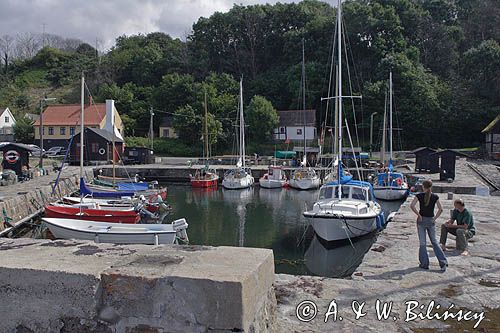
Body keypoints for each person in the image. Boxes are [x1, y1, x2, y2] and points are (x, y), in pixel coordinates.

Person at [410, 179, 448, 271]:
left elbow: (412, 205)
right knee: (434, 242)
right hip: (431, 221)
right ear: (431, 187)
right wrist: (434, 218)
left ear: (423, 186)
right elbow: (440, 209)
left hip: (421, 220)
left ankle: (424, 264)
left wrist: (418, 215)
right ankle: (443, 263)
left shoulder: (419, 196)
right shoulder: (435, 196)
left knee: (423, 243)